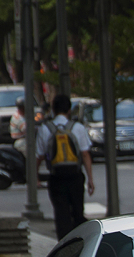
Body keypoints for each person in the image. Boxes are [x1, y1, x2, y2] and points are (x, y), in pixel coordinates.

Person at [37, 93, 94, 239]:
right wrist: (90, 179)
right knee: (77, 213)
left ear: (53, 110)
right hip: (75, 176)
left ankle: (63, 245)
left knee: (61, 214)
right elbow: (85, 154)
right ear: (69, 110)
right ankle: (79, 243)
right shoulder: (78, 127)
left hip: (56, 177)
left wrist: (34, 175)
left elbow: (40, 156)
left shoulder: (45, 129)